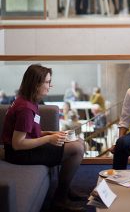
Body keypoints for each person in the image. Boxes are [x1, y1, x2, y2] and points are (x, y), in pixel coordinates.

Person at [1, 64, 86, 212]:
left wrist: (49, 134)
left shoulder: (29, 101)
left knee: (79, 141)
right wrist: (48, 140)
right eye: (47, 82)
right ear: (35, 83)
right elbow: (17, 144)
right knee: (77, 148)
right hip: (19, 154)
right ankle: (60, 198)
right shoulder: (25, 109)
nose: (50, 85)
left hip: (25, 149)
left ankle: (65, 189)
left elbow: (28, 131)